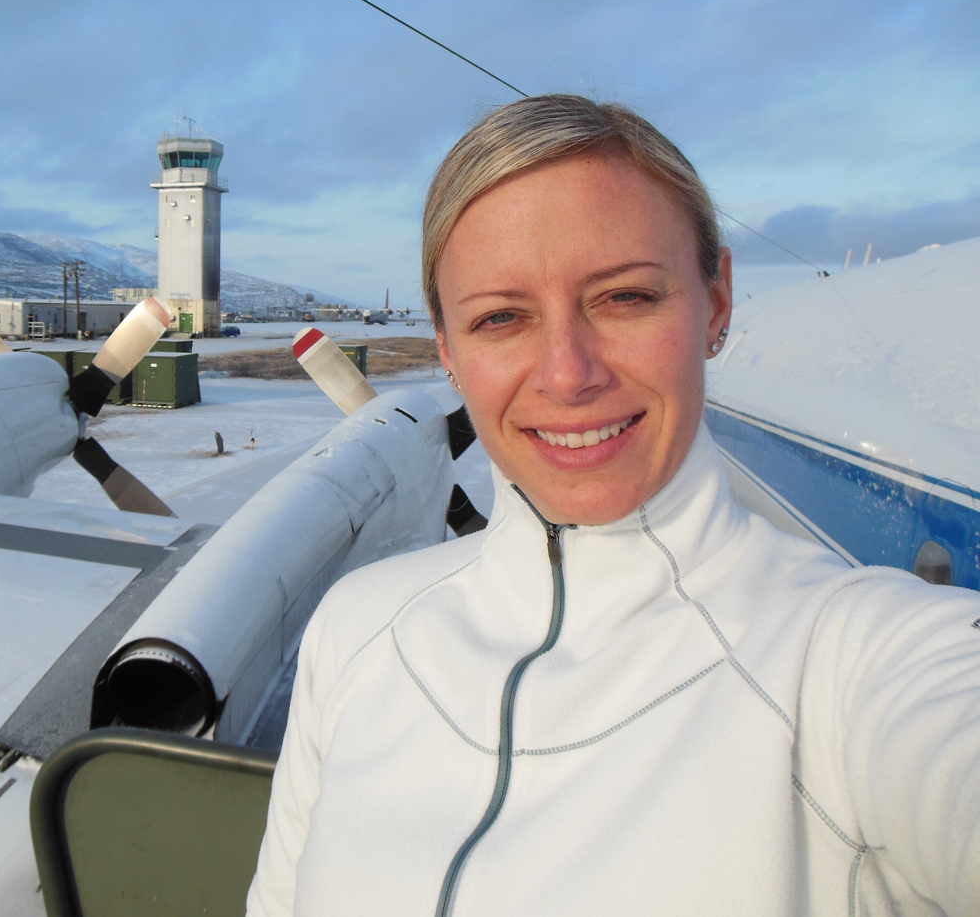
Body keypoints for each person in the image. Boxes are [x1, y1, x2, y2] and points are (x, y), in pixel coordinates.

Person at [246, 94, 980, 916]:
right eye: (501, 318)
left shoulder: (856, 667)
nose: (568, 373)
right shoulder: (354, 632)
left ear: (718, 302)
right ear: (449, 351)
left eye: (625, 297)